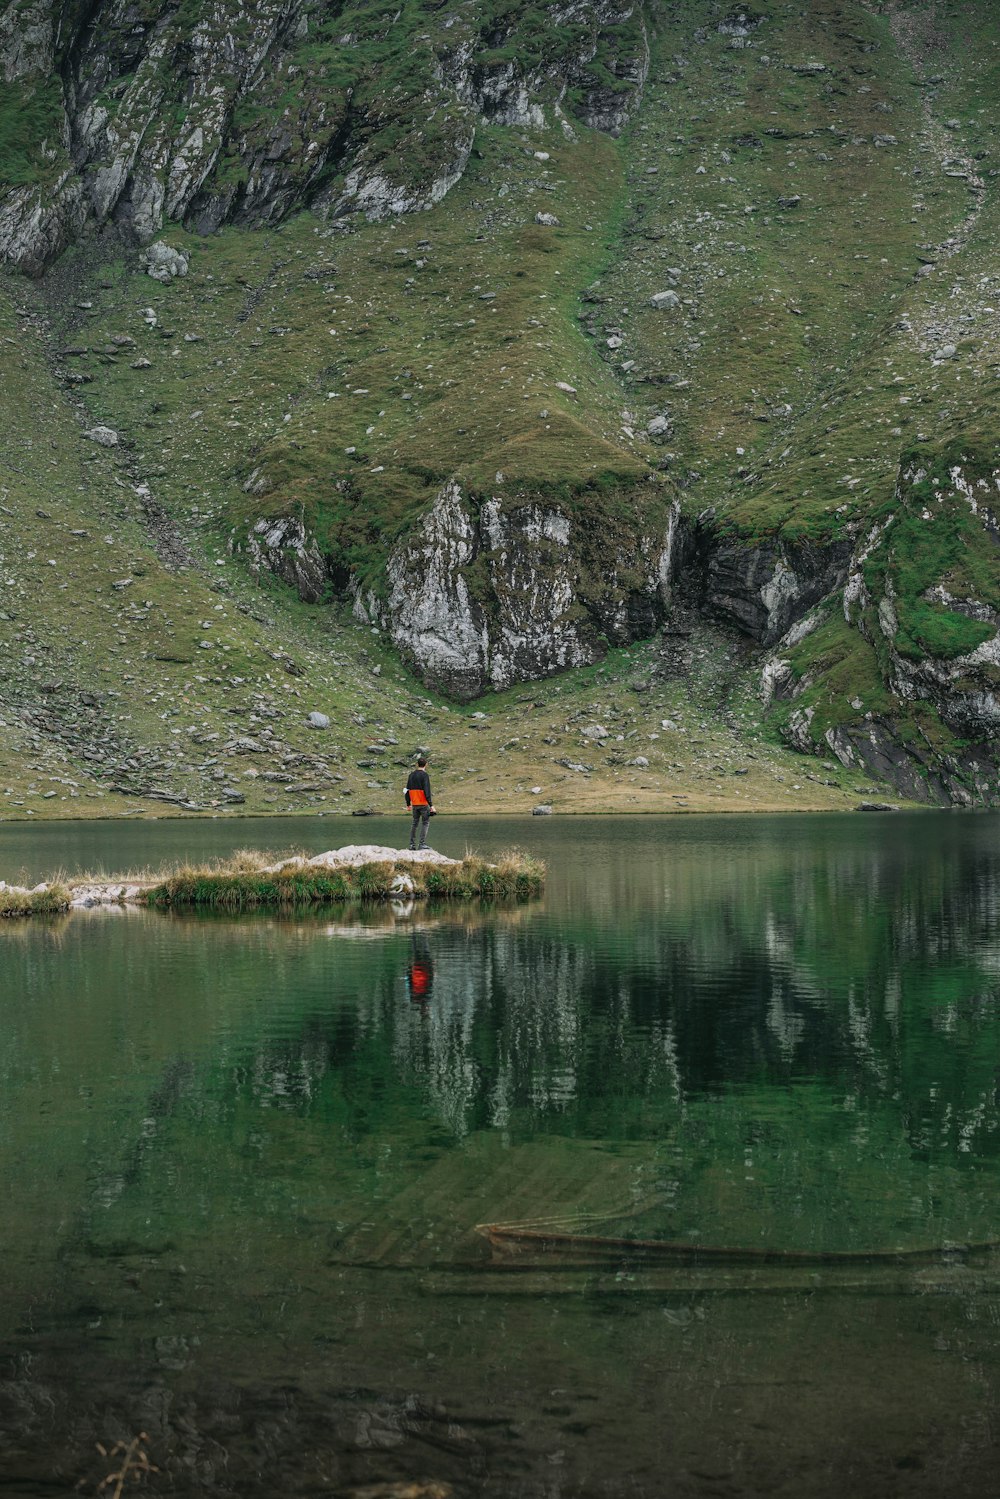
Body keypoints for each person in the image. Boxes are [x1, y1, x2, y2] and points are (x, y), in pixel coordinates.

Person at [405, 753, 435, 850]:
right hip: (423, 803)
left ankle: (411, 845)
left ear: (417, 764)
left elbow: (407, 790)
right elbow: (427, 791)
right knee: (425, 823)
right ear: (426, 765)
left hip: (415, 803)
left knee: (414, 823)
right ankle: (422, 844)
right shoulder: (425, 775)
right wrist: (431, 805)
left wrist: (408, 803)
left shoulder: (411, 775)